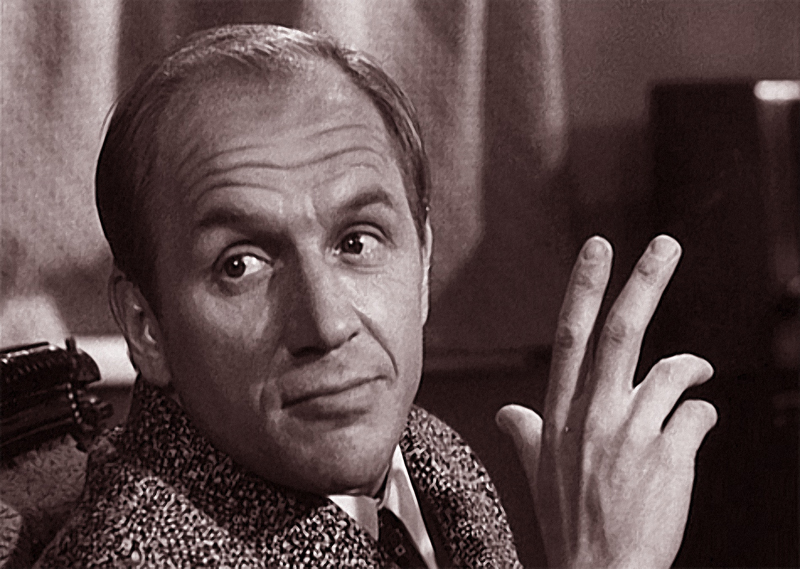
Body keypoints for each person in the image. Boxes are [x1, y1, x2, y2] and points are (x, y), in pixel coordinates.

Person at [36, 24, 717, 568]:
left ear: (422, 265)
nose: (328, 323)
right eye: (240, 264)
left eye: (356, 242)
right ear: (145, 325)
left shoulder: (423, 451)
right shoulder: (133, 554)